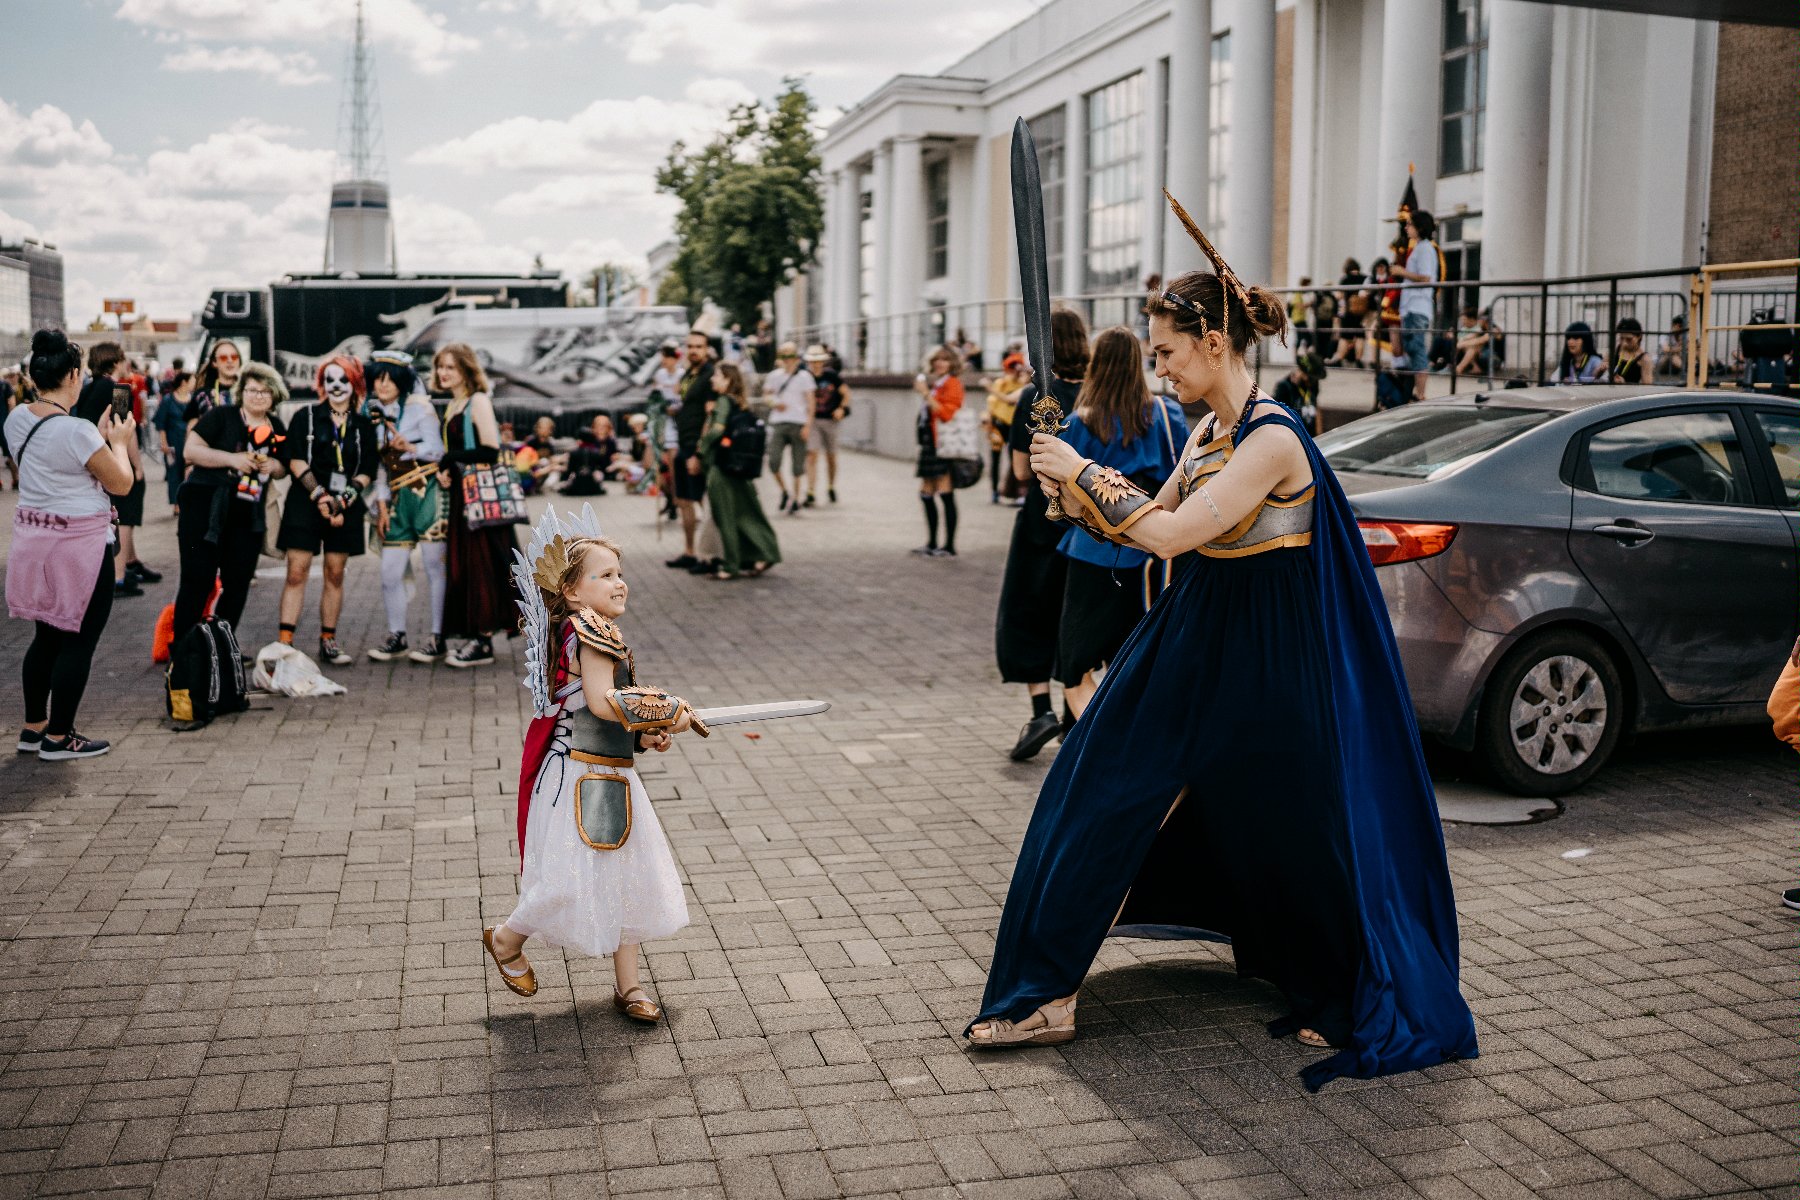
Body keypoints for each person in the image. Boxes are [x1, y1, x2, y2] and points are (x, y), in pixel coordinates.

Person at [970, 198, 1478, 1095]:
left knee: (1297, 824)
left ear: (1212, 341)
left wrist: (1084, 473)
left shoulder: (1275, 437)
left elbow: (1175, 535)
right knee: (1095, 788)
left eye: (1165, 351)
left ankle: (1339, 986)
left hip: (1270, 655)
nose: (1157, 368)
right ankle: (1045, 989)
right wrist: (1078, 492)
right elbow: (1152, 522)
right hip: (1196, 634)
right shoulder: (1206, 430)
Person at [482, 520, 694, 1015]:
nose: (619, 582)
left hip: (606, 770)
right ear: (573, 591)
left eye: (620, 573)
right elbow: (602, 703)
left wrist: (644, 731)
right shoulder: (588, 631)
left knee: (624, 874)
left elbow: (596, 709)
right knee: (564, 879)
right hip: (576, 777)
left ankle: (629, 985)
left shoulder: (597, 629)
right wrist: (668, 709)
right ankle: (507, 938)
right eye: (604, 576)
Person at [7, 330, 136, 760]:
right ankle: (61, 737)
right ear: (74, 375)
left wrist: (97, 437)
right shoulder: (77, 430)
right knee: (78, 640)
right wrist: (116, 442)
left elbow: (56, 456)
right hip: (79, 544)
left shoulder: (17, 419)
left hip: (34, 538)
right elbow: (121, 482)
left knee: (46, 636)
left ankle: (33, 728)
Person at [1050, 327, 1188, 722]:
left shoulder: (1079, 423)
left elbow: (1067, 499)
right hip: (1152, 553)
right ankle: (1127, 735)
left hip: (1093, 554)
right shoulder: (1167, 414)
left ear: (1098, 365)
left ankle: (1101, 738)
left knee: (1075, 666)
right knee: (1132, 662)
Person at [995, 308, 1090, 760]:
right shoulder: (1101, 391)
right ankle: (1078, 712)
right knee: (1075, 610)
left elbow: (1018, 470)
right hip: (1092, 519)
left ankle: (1040, 711)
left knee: (1029, 607)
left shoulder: (1034, 397)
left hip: (1041, 517)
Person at [173, 361, 289, 645]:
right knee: (197, 579)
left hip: (248, 513)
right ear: (241, 392)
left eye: (264, 391)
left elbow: (284, 466)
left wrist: (272, 465)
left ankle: (221, 644)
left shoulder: (277, 426)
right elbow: (190, 451)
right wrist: (233, 459)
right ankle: (184, 648)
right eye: (251, 390)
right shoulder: (222, 415)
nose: (258, 396)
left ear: (274, 395)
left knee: (238, 583)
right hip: (205, 506)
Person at [277, 355, 378, 666]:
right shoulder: (305, 416)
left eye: (344, 379)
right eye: (330, 380)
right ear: (321, 384)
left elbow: (366, 470)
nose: (337, 386)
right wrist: (320, 496)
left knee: (335, 572)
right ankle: (285, 643)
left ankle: (328, 640)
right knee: (297, 571)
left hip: (344, 507)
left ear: (355, 384)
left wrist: (342, 501)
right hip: (305, 503)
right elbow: (295, 459)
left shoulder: (363, 425)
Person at [362, 352, 448, 664]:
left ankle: (438, 637)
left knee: (435, 567)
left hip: (427, 493)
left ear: (401, 381)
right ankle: (396, 635)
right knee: (389, 571)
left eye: (388, 378)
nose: (382, 384)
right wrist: (381, 505)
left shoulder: (419, 408)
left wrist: (411, 448)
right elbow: (382, 468)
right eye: (377, 378)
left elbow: (438, 451)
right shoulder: (374, 414)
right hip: (397, 499)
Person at [436, 343, 518, 669]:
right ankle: (477, 635)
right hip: (464, 497)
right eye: (440, 367)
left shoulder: (477, 401)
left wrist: (449, 458)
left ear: (466, 370)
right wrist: (448, 470)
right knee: (466, 567)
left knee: (482, 566)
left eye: (450, 368)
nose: (443, 373)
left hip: (480, 501)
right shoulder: (454, 404)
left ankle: (483, 639)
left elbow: (489, 450)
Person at [75, 341, 158, 596]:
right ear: (116, 361)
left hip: (90, 461)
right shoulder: (119, 390)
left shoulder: (86, 389)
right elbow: (126, 431)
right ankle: (119, 576)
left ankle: (129, 563)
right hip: (113, 459)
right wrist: (137, 465)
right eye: (123, 360)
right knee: (126, 515)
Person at [696, 362, 781, 580]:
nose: (713, 379)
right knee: (749, 513)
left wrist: (702, 450)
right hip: (739, 467)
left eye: (717, 375)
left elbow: (717, 430)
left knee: (726, 517)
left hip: (722, 468)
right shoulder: (739, 403)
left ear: (728, 380)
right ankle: (766, 552)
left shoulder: (723, 401)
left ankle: (731, 565)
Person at [665, 330, 716, 569]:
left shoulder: (710, 375)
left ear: (706, 349)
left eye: (699, 346)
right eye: (691, 346)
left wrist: (699, 451)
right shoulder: (688, 374)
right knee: (683, 499)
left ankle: (713, 554)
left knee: (705, 501)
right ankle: (690, 551)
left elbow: (710, 415)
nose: (694, 350)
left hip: (697, 447)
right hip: (682, 443)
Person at [912, 345, 964, 558]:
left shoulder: (952, 384)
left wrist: (925, 394)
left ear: (952, 363)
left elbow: (946, 414)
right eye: (937, 359)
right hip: (930, 444)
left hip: (942, 444)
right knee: (926, 492)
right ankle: (932, 542)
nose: (940, 363)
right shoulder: (938, 384)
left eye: (945, 359)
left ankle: (949, 546)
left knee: (944, 491)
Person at [1391, 211, 1441, 402]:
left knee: (1416, 348)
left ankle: (1420, 393)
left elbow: (1426, 277)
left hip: (1417, 307)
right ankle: (1416, 391)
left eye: (1410, 224)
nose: (1406, 227)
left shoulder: (1425, 249)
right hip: (1412, 307)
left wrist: (1401, 272)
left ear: (1419, 227)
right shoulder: (1420, 247)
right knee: (1412, 348)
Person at [760, 342, 814, 515]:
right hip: (779, 421)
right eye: (784, 356)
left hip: (798, 421)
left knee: (798, 464)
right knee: (773, 461)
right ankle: (785, 491)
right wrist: (775, 403)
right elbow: (766, 395)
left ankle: (796, 499)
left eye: (791, 356)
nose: (788, 360)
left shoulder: (805, 377)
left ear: (797, 359)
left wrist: (807, 425)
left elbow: (811, 403)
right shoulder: (774, 376)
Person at [801, 344, 849, 507]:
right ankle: (811, 491)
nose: (815, 364)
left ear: (823, 362)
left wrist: (841, 408)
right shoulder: (804, 377)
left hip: (830, 420)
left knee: (831, 457)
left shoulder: (831, 376)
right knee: (812, 455)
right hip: (813, 420)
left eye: (818, 361)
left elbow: (846, 393)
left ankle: (831, 486)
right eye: (812, 361)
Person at [985, 354, 1029, 503]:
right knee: (995, 459)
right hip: (999, 425)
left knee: (1015, 460)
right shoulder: (1001, 383)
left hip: (1013, 426)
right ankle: (994, 491)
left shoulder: (1022, 385)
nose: (1014, 371)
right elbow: (992, 403)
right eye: (1011, 367)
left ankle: (1017, 492)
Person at [153, 369, 193, 511]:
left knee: (188, 472)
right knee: (174, 473)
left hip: (190, 442)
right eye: (191, 380)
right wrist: (163, 442)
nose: (194, 383)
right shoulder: (168, 400)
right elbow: (161, 423)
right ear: (184, 382)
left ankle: (188, 501)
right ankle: (177, 504)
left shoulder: (193, 399)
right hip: (173, 441)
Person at [187, 339, 242, 431]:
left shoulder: (249, 392)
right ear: (214, 362)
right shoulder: (201, 395)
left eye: (234, 357)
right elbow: (191, 430)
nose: (230, 361)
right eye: (223, 357)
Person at [1327, 259, 1367, 366]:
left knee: (1345, 337)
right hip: (1362, 313)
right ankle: (1359, 360)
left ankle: (1339, 358)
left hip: (1349, 312)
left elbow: (1339, 295)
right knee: (1360, 336)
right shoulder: (1364, 278)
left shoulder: (1345, 279)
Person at [1272, 356, 1322, 432]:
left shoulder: (1312, 385)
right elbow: (1277, 414)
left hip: (1309, 434)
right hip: (1293, 434)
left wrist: (1319, 433)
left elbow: (1316, 408)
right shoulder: (1284, 387)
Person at [1609, 317, 1652, 384]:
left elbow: (1647, 387)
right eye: (1621, 338)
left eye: (1629, 339)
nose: (1624, 343)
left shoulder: (1644, 359)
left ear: (1639, 336)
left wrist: (1625, 384)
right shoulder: (1615, 350)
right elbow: (1596, 375)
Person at [1453, 305, 1492, 376]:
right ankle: (1474, 367)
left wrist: (1462, 343)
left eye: (1481, 318)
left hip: (1486, 353)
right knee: (1471, 347)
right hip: (1474, 349)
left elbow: (1482, 340)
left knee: (1472, 347)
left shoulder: (1490, 328)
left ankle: (1459, 368)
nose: (1478, 321)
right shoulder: (1475, 327)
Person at [1656, 314, 1687, 379]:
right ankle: (1687, 370)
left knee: (1697, 350)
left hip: (1675, 364)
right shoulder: (1665, 336)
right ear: (1673, 325)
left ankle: (1708, 368)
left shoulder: (1682, 337)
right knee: (1671, 355)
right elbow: (1665, 349)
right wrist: (1681, 348)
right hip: (1662, 363)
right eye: (1680, 326)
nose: (1681, 328)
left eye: (1683, 327)